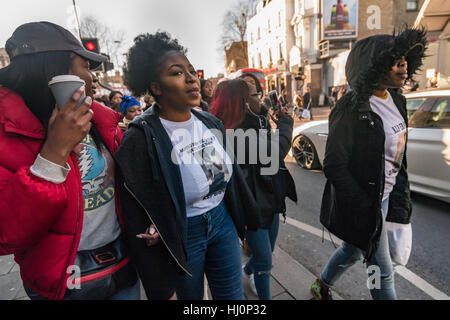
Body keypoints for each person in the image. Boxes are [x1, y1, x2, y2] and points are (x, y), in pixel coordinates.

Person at [116, 31, 260, 300]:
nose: (192, 78)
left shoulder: (209, 122)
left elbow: (231, 179)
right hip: (182, 235)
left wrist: (247, 223)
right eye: (177, 73)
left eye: (191, 71)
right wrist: (159, 287)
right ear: (156, 87)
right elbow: (136, 212)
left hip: (222, 223)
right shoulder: (140, 138)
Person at [0, 21, 139, 300]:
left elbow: (132, 187)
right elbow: (7, 232)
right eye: (86, 67)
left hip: (122, 268)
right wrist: (54, 151)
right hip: (61, 284)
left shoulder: (102, 120)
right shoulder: (7, 133)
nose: (93, 79)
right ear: (57, 72)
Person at [311, 27, 427, 300]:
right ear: (373, 66)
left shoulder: (396, 98)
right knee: (382, 271)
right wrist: (366, 207)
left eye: (405, 60)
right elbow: (334, 165)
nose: (403, 66)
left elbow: (398, 156)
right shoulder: (351, 107)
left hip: (384, 197)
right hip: (364, 202)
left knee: (352, 249)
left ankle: (321, 285)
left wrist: (398, 197)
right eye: (396, 61)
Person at [211, 79, 297, 300]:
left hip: (271, 197)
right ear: (242, 102)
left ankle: (246, 272)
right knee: (266, 261)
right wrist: (287, 123)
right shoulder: (232, 133)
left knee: (266, 252)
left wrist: (269, 118)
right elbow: (274, 152)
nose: (261, 96)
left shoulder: (257, 121)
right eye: (255, 94)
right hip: (253, 204)